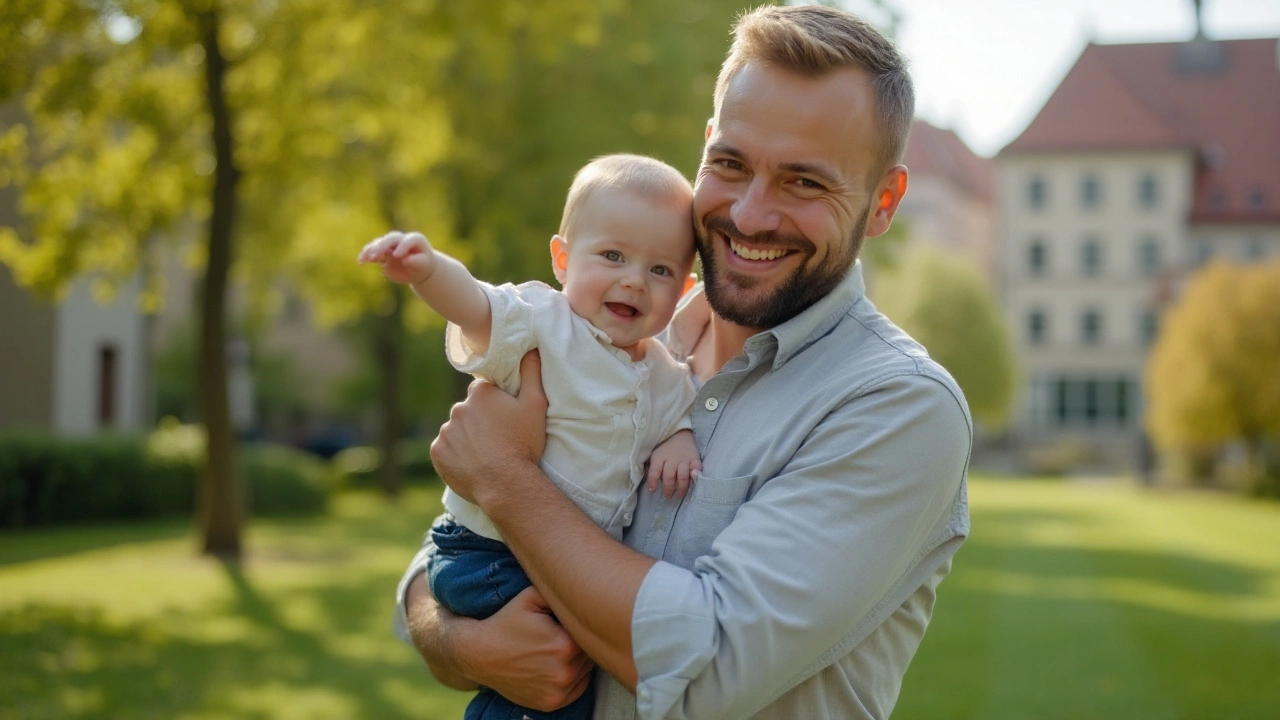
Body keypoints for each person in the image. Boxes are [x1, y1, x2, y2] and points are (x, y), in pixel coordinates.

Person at [396, 5, 972, 719]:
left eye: (804, 183)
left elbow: (703, 675)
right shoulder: (615, 328)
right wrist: (461, 647)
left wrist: (506, 477)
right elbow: (431, 569)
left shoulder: (897, 407)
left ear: (882, 202)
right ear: (704, 150)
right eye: (730, 165)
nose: (752, 214)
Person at [361, 154, 705, 720]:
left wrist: (678, 442)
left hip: (559, 558)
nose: (633, 280)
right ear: (563, 259)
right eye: (613, 255)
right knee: (556, 667)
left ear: (684, 288)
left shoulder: (666, 373)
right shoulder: (543, 322)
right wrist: (427, 271)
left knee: (549, 680)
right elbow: (475, 305)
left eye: (660, 271)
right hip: (487, 549)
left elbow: (679, 420)